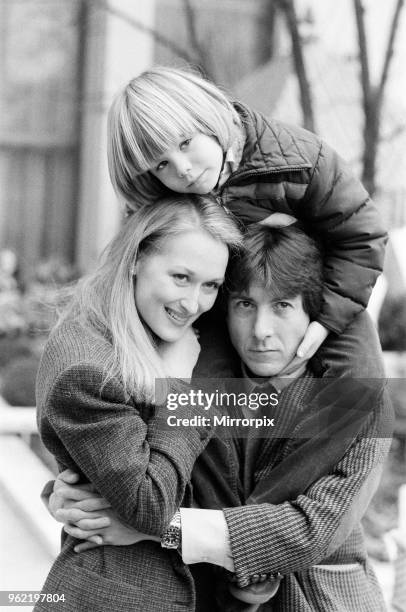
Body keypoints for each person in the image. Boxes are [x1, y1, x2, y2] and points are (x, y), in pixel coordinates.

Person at [50, 225, 392, 611]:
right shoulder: (190, 375)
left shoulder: (358, 397)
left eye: (282, 306)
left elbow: (312, 529)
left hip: (316, 599)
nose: (261, 331)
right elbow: (138, 468)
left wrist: (160, 528)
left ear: (313, 312)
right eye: (245, 305)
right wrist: (71, 496)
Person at [106, 65, 387, 380]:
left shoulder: (301, 160)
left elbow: (363, 236)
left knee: (359, 379)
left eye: (185, 143)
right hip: (220, 309)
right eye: (161, 164)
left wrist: (326, 321)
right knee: (199, 390)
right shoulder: (166, 203)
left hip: (316, 297)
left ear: (207, 118)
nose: (182, 169)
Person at [34, 194, 242, 612]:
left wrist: (59, 491)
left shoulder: (152, 328)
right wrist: (180, 387)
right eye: (181, 277)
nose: (193, 303)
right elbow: (149, 505)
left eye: (211, 286)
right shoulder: (89, 368)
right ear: (135, 258)